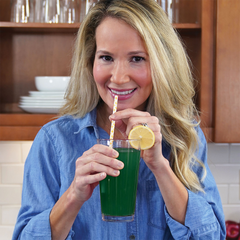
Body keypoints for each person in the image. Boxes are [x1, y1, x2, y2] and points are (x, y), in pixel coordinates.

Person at [12, 0, 226, 239]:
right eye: (106, 57)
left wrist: (160, 168)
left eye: (137, 58)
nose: (120, 77)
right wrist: (74, 195)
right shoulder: (54, 140)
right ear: (90, 62)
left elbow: (211, 236)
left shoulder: (185, 137)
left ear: (161, 65)